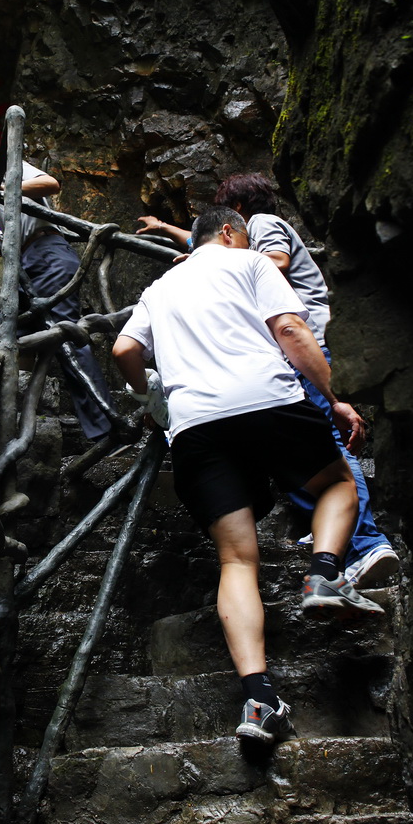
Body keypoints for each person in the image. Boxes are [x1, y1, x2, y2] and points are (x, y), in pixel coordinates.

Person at [113, 206, 383, 744]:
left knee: (236, 558)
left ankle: (258, 700)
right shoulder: (251, 263)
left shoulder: (161, 287)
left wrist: (152, 401)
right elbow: (289, 327)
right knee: (337, 484)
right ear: (231, 232)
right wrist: (335, 399)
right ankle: (325, 572)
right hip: (266, 398)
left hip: (194, 424)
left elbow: (124, 349)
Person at [213, 173, 398, 589]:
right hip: (295, 347)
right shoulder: (251, 232)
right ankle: (334, 532)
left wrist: (215, 262)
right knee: (305, 446)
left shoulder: (259, 224)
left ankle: (367, 543)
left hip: (304, 343)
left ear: (237, 211)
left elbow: (275, 260)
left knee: (326, 445)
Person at [0, 149, 115, 444]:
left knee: (64, 337)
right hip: (26, 266)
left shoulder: (8, 171)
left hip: (48, 255)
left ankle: (107, 429)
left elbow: (50, 183)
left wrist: (1, 186)